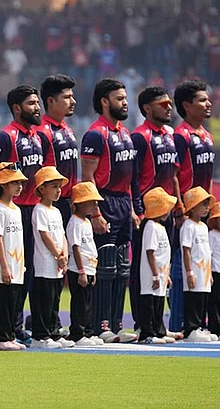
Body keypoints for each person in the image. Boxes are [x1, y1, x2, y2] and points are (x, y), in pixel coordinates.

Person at [80, 78, 138, 344]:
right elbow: (88, 176)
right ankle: (99, 325)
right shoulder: (95, 134)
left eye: (125, 98)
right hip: (104, 202)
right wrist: (95, 212)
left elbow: (129, 176)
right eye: (119, 99)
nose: (125, 103)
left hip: (124, 205)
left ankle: (116, 324)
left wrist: (133, 210)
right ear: (105, 102)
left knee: (122, 269)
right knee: (104, 268)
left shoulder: (125, 133)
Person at [0, 85, 47, 343]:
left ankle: (21, 323)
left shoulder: (39, 138)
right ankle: (10, 327)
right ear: (17, 108)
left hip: (34, 209)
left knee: (29, 271)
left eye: (37, 103)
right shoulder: (6, 137)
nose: (37, 108)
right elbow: (0, 176)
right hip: (13, 210)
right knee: (12, 269)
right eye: (31, 104)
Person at [129, 87, 179, 332]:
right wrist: (137, 209)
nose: (169, 107)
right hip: (147, 213)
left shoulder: (169, 135)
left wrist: (177, 204)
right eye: (163, 103)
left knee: (163, 264)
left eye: (169, 103)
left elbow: (174, 175)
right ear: (147, 108)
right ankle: (143, 324)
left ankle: (159, 324)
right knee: (144, 268)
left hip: (167, 211)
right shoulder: (140, 137)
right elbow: (134, 177)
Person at [171, 81, 214, 331]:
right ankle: (179, 324)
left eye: (208, 99)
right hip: (186, 212)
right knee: (180, 265)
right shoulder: (180, 136)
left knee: (201, 265)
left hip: (202, 211)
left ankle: (198, 323)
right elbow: (174, 175)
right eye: (201, 100)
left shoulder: (207, 136)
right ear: (186, 106)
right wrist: (179, 208)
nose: (208, 104)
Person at [30, 166, 74, 349]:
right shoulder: (39, 210)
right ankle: (40, 336)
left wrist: (64, 254)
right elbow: (44, 235)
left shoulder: (56, 211)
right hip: (45, 264)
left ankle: (53, 332)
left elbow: (62, 235)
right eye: (54, 186)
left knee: (54, 299)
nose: (58, 190)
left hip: (57, 264)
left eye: (59, 186)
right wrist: (57, 255)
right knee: (44, 301)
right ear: (41, 189)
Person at [0, 162, 28, 351]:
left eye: (20, 182)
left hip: (17, 265)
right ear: (3, 185)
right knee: (3, 299)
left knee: (14, 300)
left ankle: (10, 334)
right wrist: (4, 266)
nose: (19, 186)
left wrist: (22, 264)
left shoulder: (16, 209)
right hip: (5, 264)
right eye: (14, 182)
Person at [66, 182, 104, 347]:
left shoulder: (86, 222)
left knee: (88, 302)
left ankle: (88, 331)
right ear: (79, 203)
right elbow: (76, 246)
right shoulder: (75, 222)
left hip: (89, 268)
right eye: (91, 201)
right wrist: (81, 270)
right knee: (80, 302)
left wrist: (92, 271)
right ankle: (78, 332)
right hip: (78, 269)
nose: (95, 205)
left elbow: (90, 248)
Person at [38, 74, 79, 225]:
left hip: (70, 202)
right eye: (67, 97)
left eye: (72, 96)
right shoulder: (41, 132)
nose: (73, 101)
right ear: (50, 101)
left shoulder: (67, 129)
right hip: (52, 204)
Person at [137, 188, 176, 344]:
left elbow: (163, 254)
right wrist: (154, 274)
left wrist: (166, 275)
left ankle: (159, 331)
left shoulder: (161, 227)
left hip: (161, 273)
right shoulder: (151, 227)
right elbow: (150, 252)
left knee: (159, 302)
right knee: (149, 302)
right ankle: (147, 333)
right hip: (152, 274)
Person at [179, 187, 216, 342]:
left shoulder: (203, 226)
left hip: (205, 272)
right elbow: (186, 250)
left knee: (203, 298)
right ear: (193, 207)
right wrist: (189, 272)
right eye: (203, 204)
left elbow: (206, 251)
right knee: (193, 299)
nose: (207, 208)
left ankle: (200, 326)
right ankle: (191, 328)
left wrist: (210, 274)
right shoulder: (188, 226)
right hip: (194, 270)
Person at [207, 204, 220, 337]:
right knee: (214, 301)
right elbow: (208, 255)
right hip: (215, 271)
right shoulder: (212, 235)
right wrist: (209, 272)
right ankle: (215, 327)